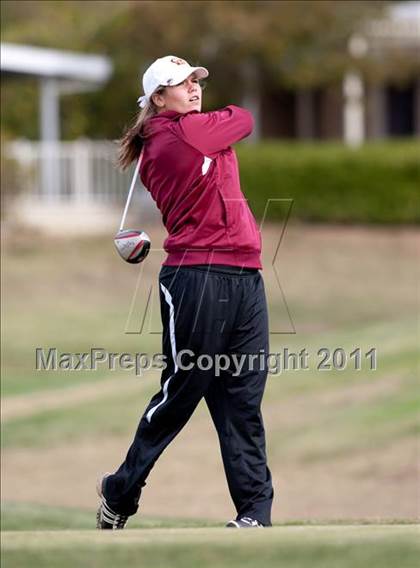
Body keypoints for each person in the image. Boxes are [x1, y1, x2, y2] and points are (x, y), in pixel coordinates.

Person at [96, 55, 274, 530]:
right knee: (182, 390)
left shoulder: (189, 132)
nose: (195, 89)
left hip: (245, 274)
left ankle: (254, 514)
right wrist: (204, 118)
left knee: (242, 398)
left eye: (196, 81)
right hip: (197, 276)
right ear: (159, 99)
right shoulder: (179, 133)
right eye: (182, 84)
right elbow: (245, 117)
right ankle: (120, 490)